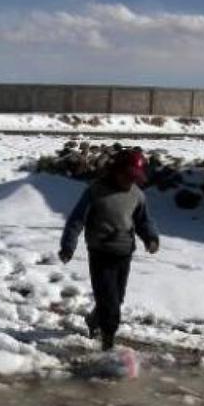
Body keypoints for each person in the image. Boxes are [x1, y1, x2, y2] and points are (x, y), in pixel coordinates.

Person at [59, 149, 159, 351]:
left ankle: (94, 321)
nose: (129, 181)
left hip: (124, 254)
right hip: (100, 253)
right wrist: (68, 246)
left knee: (116, 298)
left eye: (134, 178)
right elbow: (77, 219)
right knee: (110, 302)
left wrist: (150, 237)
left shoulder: (137, 195)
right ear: (116, 170)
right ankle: (108, 343)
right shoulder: (95, 191)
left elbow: (143, 221)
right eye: (127, 176)